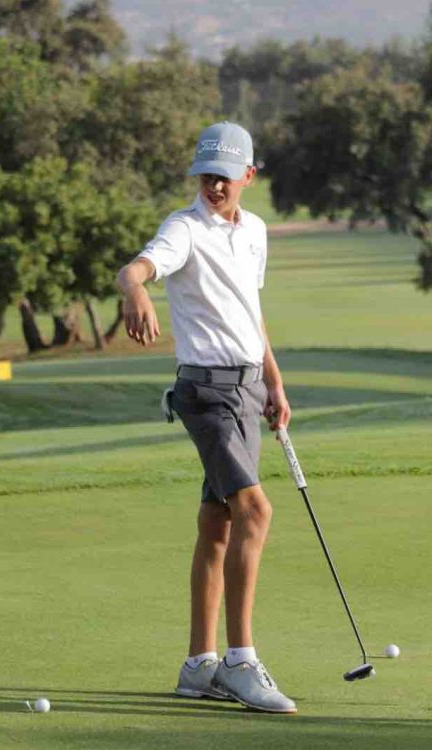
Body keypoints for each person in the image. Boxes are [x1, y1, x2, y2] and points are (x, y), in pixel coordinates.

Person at [115, 121, 296, 714]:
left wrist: (272, 378)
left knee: (218, 522)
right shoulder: (183, 228)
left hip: (246, 390)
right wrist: (135, 290)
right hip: (205, 393)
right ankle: (241, 660)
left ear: (249, 175)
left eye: (225, 175)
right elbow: (135, 269)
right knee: (256, 510)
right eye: (206, 174)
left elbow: (252, 309)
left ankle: (199, 665)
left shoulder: (257, 232)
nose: (214, 185)